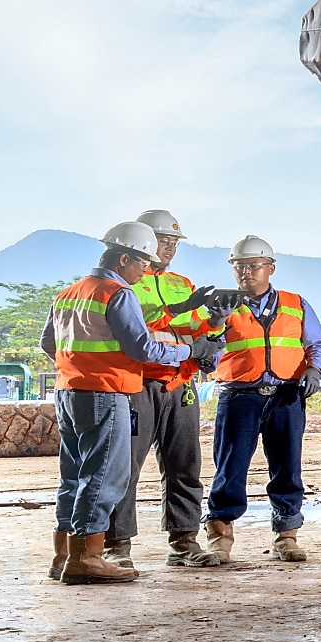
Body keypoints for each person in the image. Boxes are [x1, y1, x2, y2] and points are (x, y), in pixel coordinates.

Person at [40, 221, 224, 585]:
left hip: (69, 392)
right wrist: (191, 350)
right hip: (107, 393)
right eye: (142, 261)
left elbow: (49, 344)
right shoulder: (117, 292)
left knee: (73, 477)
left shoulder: (68, 293)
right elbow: (142, 347)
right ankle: (89, 558)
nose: (146, 269)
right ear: (124, 258)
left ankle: (63, 556)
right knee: (106, 476)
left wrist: (80, 366)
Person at [102, 209, 223, 570]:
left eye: (173, 242)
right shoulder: (124, 282)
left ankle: (184, 541)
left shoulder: (182, 283)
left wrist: (215, 324)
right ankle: (117, 547)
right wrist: (177, 309)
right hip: (136, 384)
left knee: (185, 466)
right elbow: (138, 327)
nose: (169, 247)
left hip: (180, 384)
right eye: (162, 241)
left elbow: (196, 331)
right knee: (125, 468)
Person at [202, 234, 321, 563]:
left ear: (270, 268)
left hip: (286, 396)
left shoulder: (295, 303)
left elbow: (317, 343)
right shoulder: (223, 306)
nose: (246, 272)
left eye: (253, 265)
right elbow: (207, 352)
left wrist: (314, 370)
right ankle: (220, 537)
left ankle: (286, 536)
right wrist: (214, 322)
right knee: (230, 468)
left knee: (287, 467)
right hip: (239, 397)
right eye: (239, 266)